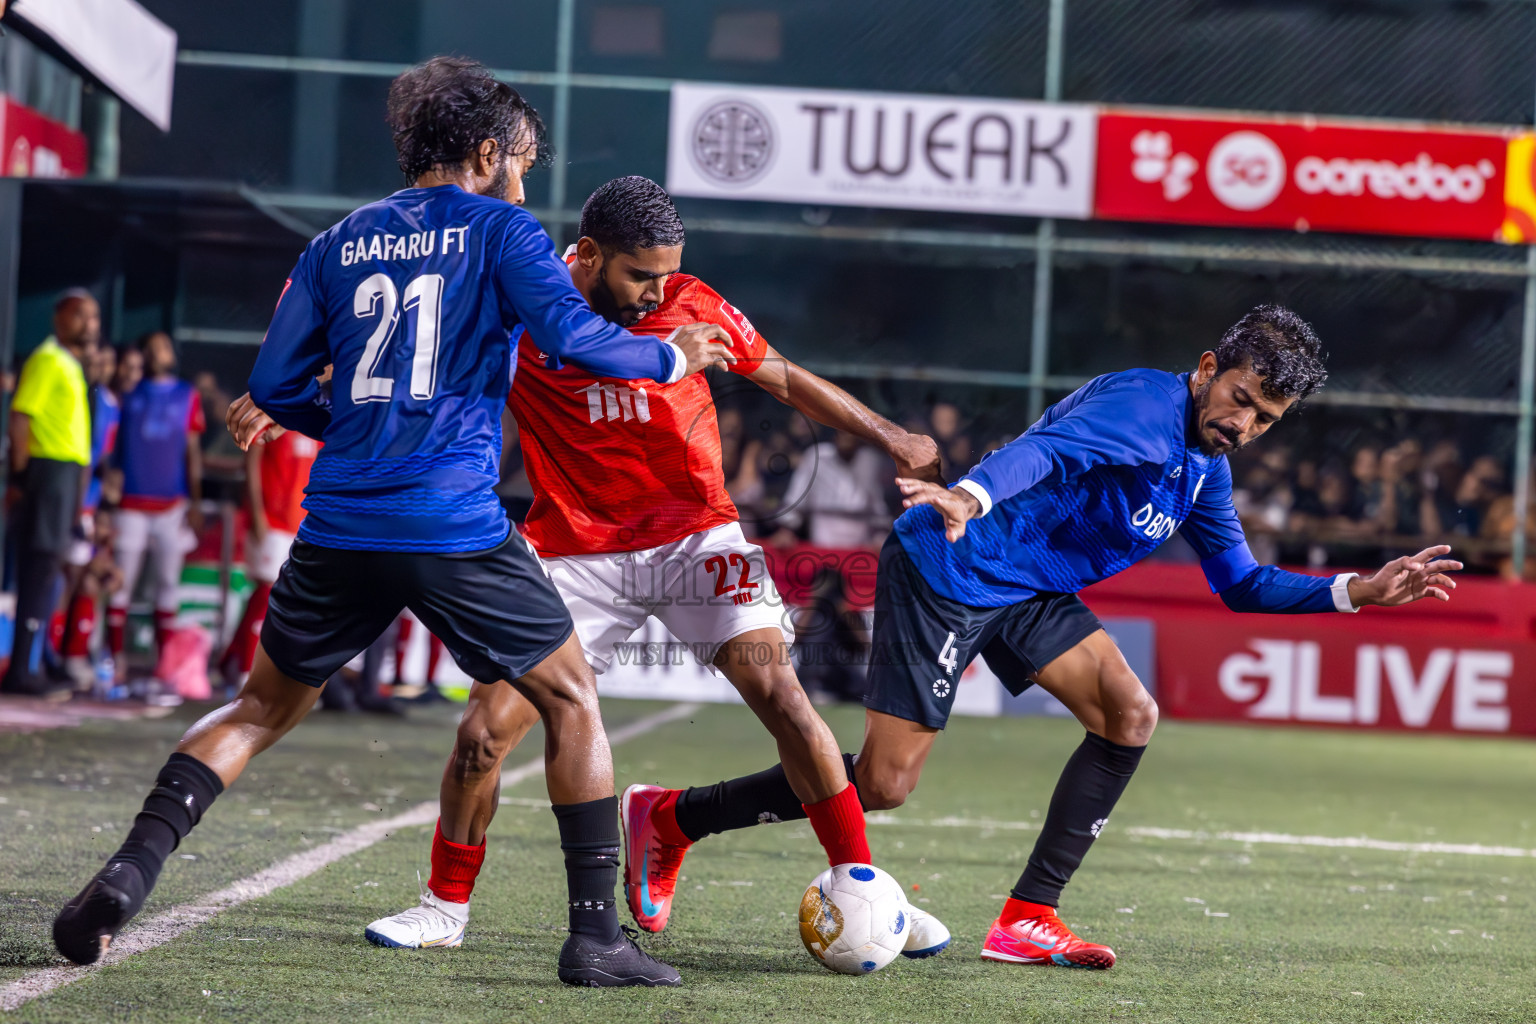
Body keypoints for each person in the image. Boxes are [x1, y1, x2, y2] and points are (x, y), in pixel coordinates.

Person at [52, 57, 736, 988]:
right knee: (572, 699)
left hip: (339, 523)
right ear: (486, 152)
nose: (523, 181)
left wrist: (355, 427)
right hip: (451, 522)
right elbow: (575, 338)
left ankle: (128, 873)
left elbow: (272, 386)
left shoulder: (335, 241)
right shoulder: (505, 229)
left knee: (257, 709)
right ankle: (596, 940)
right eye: (519, 161)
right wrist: (673, 358)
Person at [630, 305, 1462, 970]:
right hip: (951, 565)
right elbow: (1047, 453)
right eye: (1241, 399)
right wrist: (971, 497)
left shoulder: (1203, 467)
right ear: (1209, 369)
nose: (1245, 424)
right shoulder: (1145, 407)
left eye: (1266, 419)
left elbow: (1241, 584)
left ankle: (1028, 917)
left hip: (1028, 589)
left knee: (1128, 715)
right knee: (884, 785)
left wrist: (1356, 592)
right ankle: (672, 817)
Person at [335, 175, 947, 953]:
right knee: (483, 733)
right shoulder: (520, 308)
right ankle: (444, 908)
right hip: (574, 554)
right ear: (589, 255)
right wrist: (309, 387)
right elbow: (416, 367)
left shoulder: (690, 302)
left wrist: (892, 436)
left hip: (697, 538)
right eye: (640, 276)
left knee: (786, 699)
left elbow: (786, 378)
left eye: (667, 275)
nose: (658, 292)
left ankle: (863, 888)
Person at [2, 290, 97, 698]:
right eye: (80, 315)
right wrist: (21, 478)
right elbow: (21, 417)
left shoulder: (71, 365)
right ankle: (23, 669)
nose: (89, 324)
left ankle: (33, 663)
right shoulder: (47, 359)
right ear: (59, 318)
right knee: (39, 568)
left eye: (93, 317)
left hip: (65, 475)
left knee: (49, 570)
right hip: (46, 472)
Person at [106, 331, 205, 685]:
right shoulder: (127, 394)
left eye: (162, 347)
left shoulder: (187, 395)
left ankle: (165, 665)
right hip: (130, 502)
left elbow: (192, 451)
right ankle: (113, 662)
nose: (157, 353)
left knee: (167, 584)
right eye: (150, 348)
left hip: (172, 505)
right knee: (120, 582)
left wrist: (195, 500)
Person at [217, 414, 321, 689]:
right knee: (267, 593)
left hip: (301, 525)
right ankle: (245, 671)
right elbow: (251, 464)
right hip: (271, 522)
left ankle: (231, 659)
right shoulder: (275, 414)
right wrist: (257, 513)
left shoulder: (318, 421)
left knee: (280, 598)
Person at [59, 342, 122, 689]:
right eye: (97, 360)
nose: (102, 367)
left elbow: (101, 458)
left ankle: (72, 654)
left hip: (90, 503)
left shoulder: (110, 403)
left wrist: (100, 509)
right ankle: (51, 652)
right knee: (64, 577)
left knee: (88, 576)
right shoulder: (77, 392)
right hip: (69, 498)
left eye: (107, 362)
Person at [772, 429, 891, 548]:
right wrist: (787, 529)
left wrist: (880, 534)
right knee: (824, 559)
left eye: (851, 435)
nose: (846, 438)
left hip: (860, 527)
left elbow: (877, 503)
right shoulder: (817, 456)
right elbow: (797, 496)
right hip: (825, 525)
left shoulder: (870, 460)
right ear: (835, 435)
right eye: (843, 434)